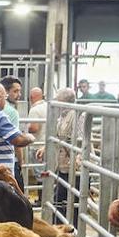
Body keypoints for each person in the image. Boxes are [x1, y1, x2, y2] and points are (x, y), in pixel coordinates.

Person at [37, 87, 79, 224]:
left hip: (75, 167)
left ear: (66, 101)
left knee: (73, 201)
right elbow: (55, 135)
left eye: (58, 100)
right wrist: (45, 147)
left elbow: (81, 140)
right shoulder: (62, 116)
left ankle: (72, 233)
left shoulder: (77, 115)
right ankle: (60, 228)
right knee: (60, 199)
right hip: (63, 165)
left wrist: (79, 157)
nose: (55, 103)